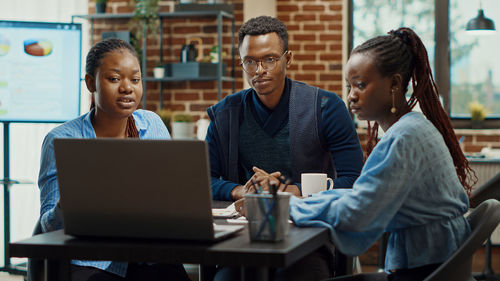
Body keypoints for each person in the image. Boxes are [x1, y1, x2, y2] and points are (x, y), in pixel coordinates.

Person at [284, 27, 476, 281]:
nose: (351, 96)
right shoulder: (414, 127)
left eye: (361, 85)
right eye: (349, 86)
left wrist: (289, 208)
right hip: (436, 264)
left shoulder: (404, 138)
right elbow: (361, 197)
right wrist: (301, 203)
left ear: (394, 83)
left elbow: (357, 214)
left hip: (423, 272)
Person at [38, 38, 190, 281]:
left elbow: (172, 194)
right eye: (114, 78)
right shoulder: (61, 139)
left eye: (135, 79)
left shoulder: (152, 124)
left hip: (150, 255)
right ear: (91, 83)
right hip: (92, 261)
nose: (127, 88)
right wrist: (69, 202)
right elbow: (48, 227)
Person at [206, 16, 364, 202]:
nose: (259, 70)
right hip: (243, 220)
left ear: (288, 59)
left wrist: (288, 190)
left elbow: (354, 180)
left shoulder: (326, 107)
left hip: (312, 221)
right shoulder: (225, 114)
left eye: (270, 59)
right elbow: (201, 180)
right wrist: (241, 191)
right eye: (249, 61)